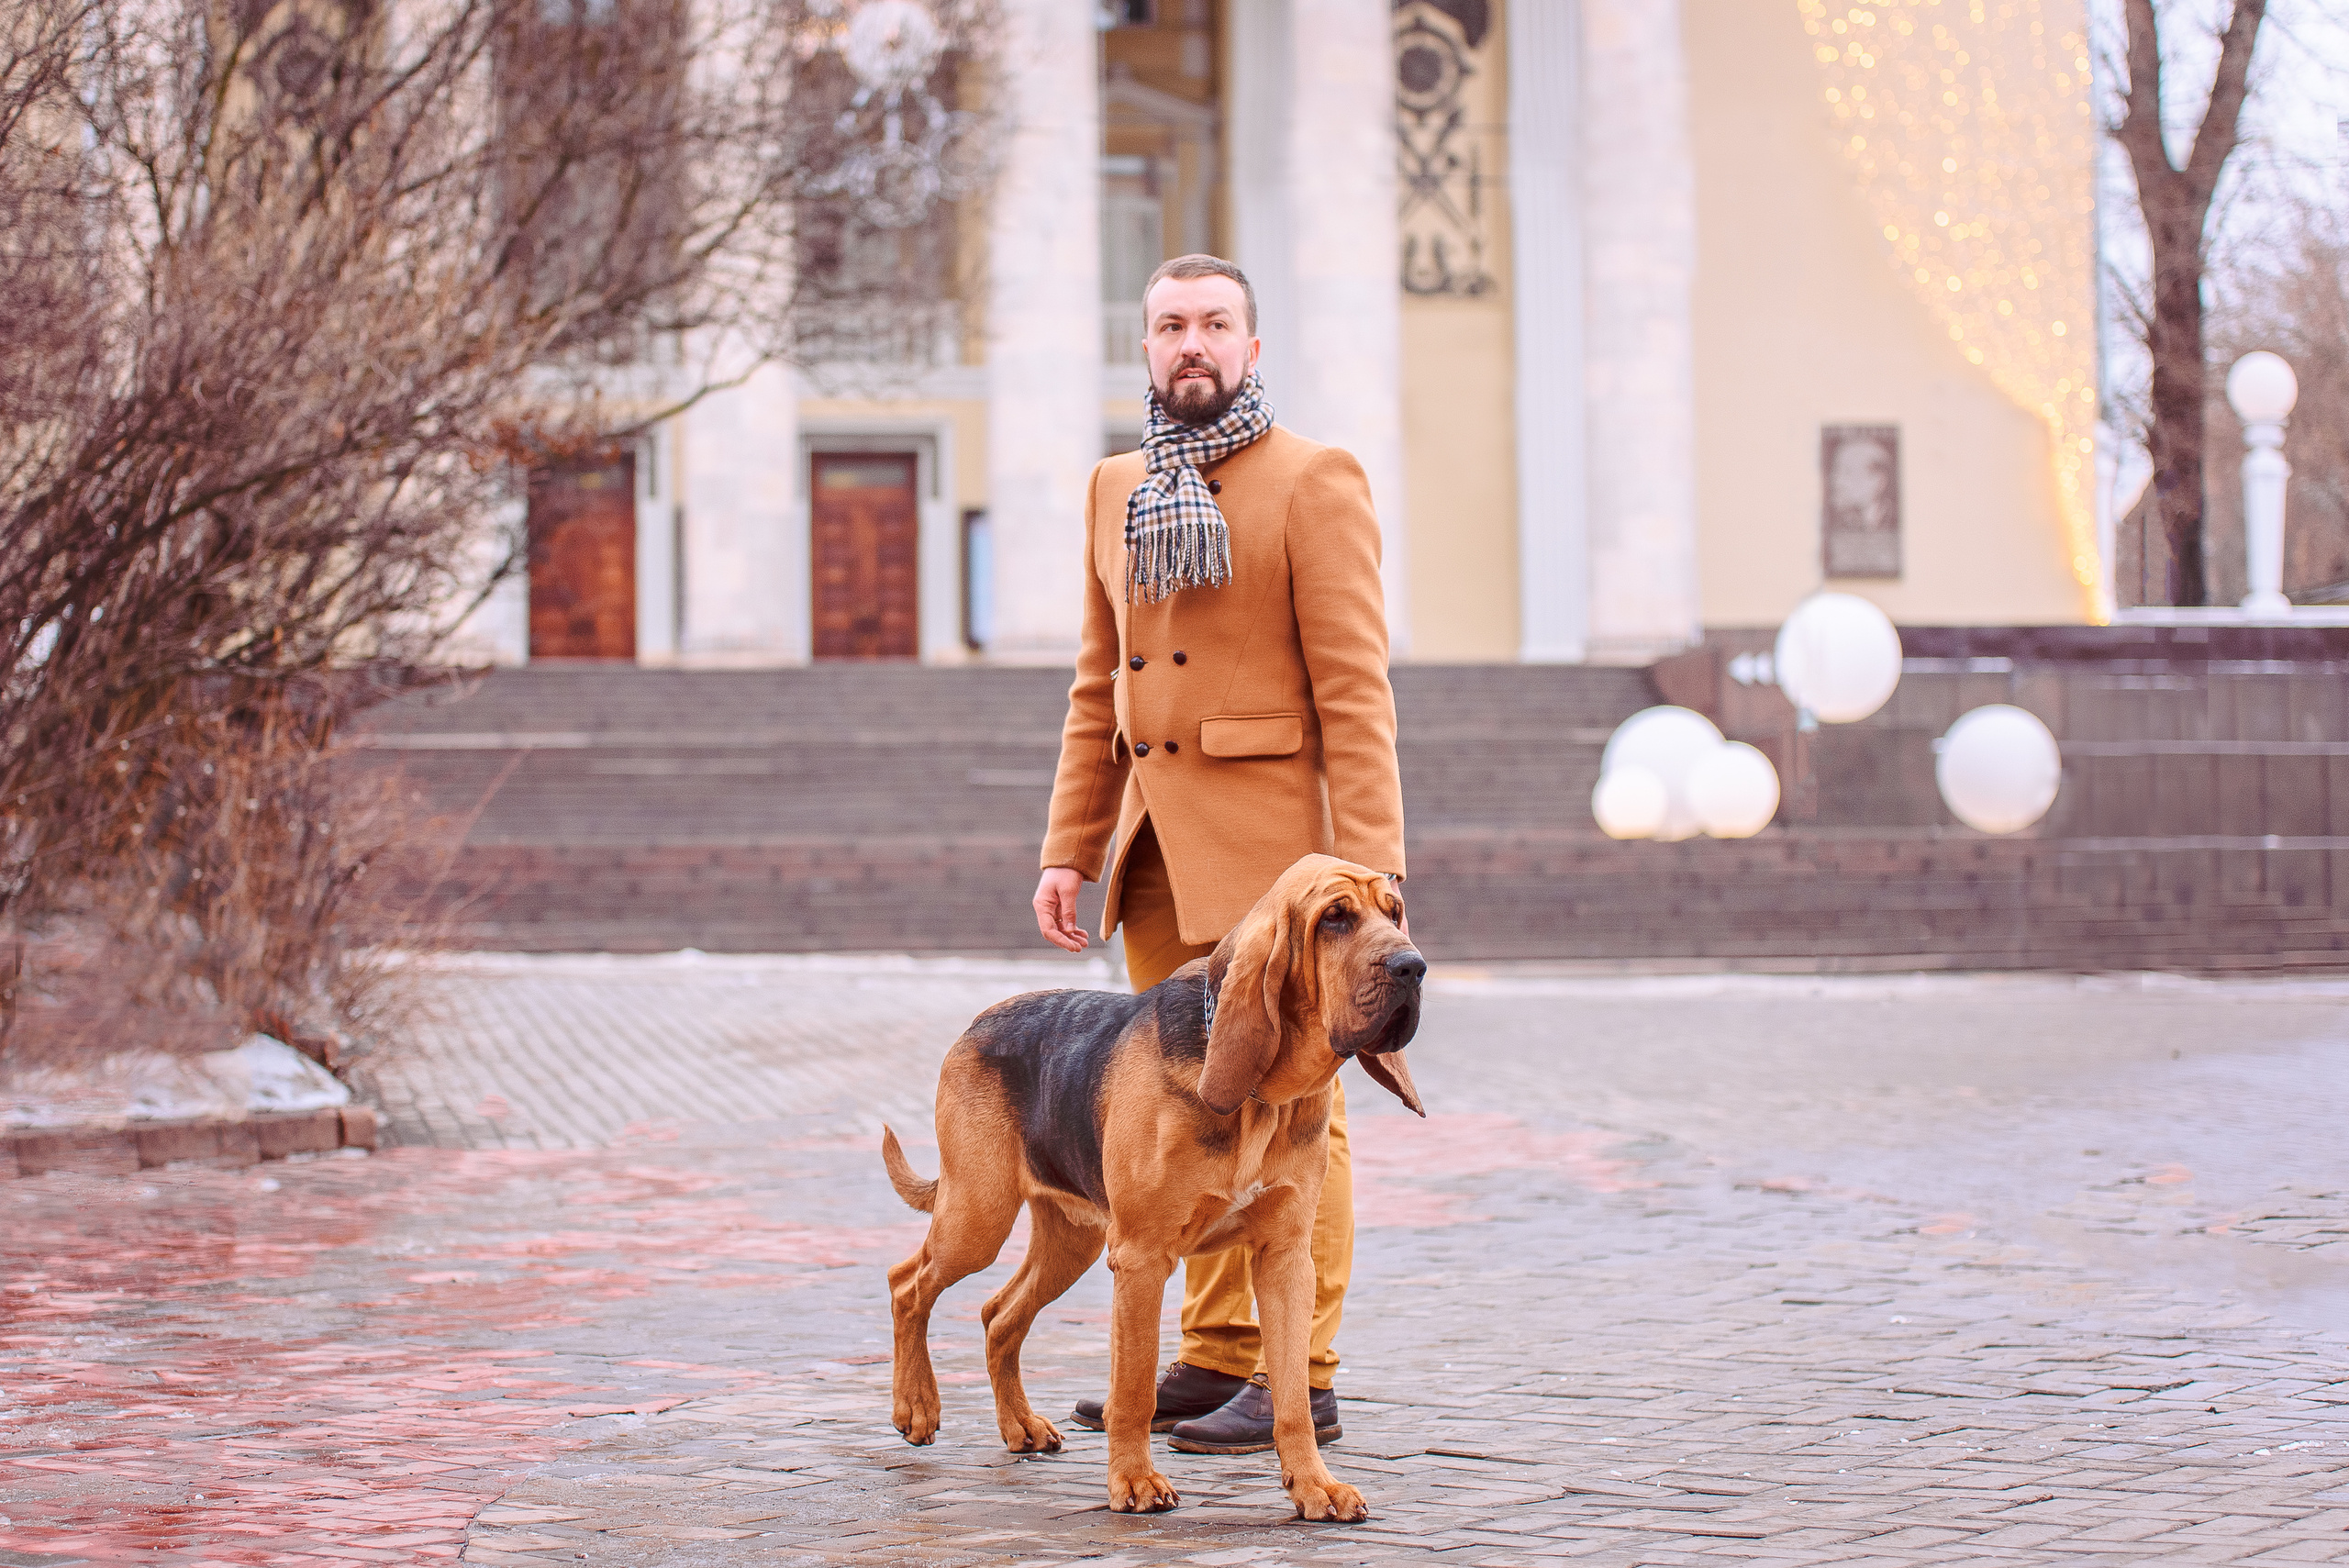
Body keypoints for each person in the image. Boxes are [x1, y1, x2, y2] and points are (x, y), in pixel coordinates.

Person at [1030, 252, 1407, 1455]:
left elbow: (1356, 692)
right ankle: (1217, 1354)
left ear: (1251, 345)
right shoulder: (1115, 486)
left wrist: (1375, 884)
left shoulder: (1313, 479)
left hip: (1281, 872)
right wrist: (1070, 847)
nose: (1191, 343)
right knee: (1188, 1106)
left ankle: (1306, 1375)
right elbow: (1099, 685)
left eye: (1213, 323)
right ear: (1145, 346)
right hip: (1155, 862)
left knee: (1300, 1118)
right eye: (1170, 325)